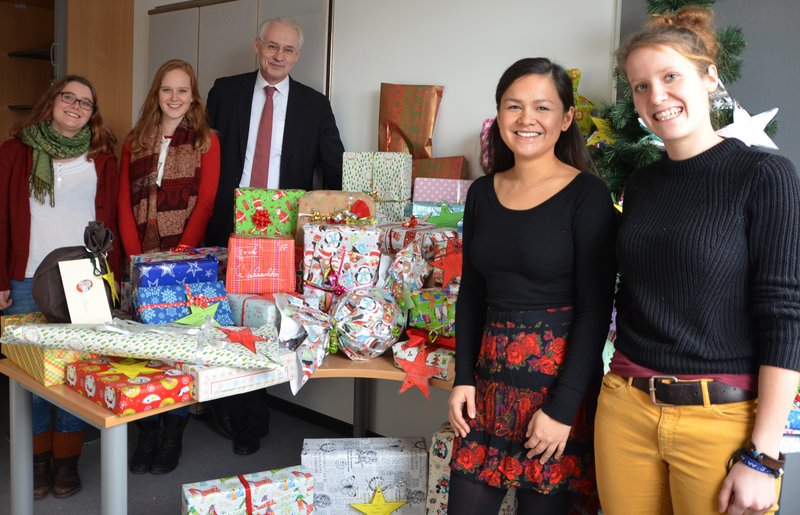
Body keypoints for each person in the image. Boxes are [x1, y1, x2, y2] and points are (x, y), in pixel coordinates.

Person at [594, 7, 800, 515]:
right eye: (640, 86)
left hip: (721, 419)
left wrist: (764, 457)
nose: (655, 97)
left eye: (670, 77)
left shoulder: (765, 176)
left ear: (710, 78)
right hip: (625, 409)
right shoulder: (641, 184)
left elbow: (784, 316)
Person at [447, 58, 617, 514]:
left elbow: (595, 309)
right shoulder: (482, 193)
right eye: (513, 106)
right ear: (498, 115)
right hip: (490, 384)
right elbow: (473, 295)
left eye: (542, 108)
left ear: (565, 119)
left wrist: (563, 409)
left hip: (559, 386)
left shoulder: (588, 196)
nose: (526, 119)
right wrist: (464, 377)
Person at [203, 16, 345, 456]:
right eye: (272, 47)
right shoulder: (224, 91)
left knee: (262, 320)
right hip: (227, 221)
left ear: (297, 55)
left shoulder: (314, 104)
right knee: (220, 314)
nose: (279, 56)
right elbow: (200, 152)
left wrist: (343, 222)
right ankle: (221, 405)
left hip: (281, 235)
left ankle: (252, 417)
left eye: (288, 50)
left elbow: (335, 167)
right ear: (257, 46)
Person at [0, 75, 119, 499]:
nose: (74, 105)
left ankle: (66, 461)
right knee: (34, 374)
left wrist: (114, 279)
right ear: (51, 102)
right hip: (28, 277)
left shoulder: (102, 159)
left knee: (73, 373)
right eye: (67, 97)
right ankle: (33, 462)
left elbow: (112, 223)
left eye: (85, 102)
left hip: (83, 281)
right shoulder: (15, 153)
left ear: (92, 113)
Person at [117, 59, 219, 475]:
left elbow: (206, 202)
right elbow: (123, 201)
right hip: (140, 259)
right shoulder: (133, 141)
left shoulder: (206, 141)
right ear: (155, 94)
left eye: (182, 90)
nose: (174, 98)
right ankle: (146, 432)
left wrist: (180, 255)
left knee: (179, 352)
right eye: (166, 90)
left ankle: (172, 432)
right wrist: (135, 258)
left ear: (193, 96)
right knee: (143, 351)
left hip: (184, 264)